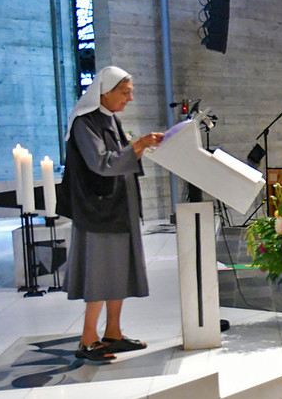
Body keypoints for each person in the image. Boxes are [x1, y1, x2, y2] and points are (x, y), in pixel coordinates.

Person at [58, 66, 163, 361]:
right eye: (125, 92)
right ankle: (87, 339)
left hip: (119, 208)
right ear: (106, 91)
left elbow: (120, 157)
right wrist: (138, 144)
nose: (130, 98)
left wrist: (141, 147)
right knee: (100, 274)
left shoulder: (110, 119)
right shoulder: (84, 123)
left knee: (117, 271)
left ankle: (113, 333)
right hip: (98, 210)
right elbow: (102, 163)